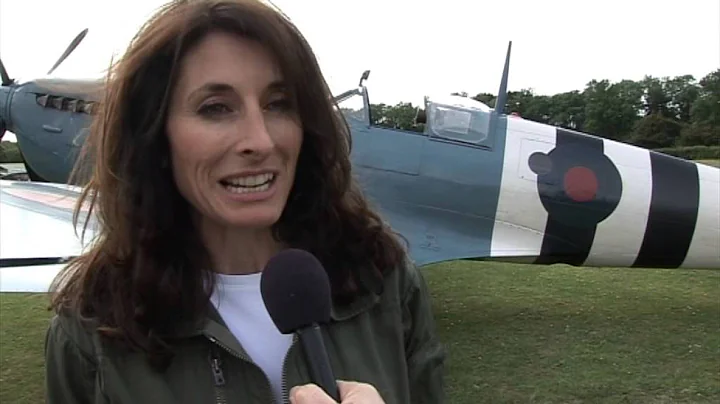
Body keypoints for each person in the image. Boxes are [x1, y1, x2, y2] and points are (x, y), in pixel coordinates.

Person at [44, 0, 446, 403]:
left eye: (278, 104)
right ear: (155, 136)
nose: (261, 141)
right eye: (216, 108)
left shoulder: (384, 278)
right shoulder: (90, 328)